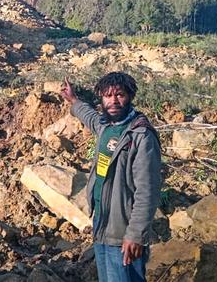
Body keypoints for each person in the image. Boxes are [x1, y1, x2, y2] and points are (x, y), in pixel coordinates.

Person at [60, 73, 161, 282]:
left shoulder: (141, 136)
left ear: (130, 96)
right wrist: (74, 100)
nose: (113, 101)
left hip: (123, 229)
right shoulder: (106, 126)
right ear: (101, 98)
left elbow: (147, 191)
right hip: (102, 222)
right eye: (108, 96)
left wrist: (135, 235)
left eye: (120, 95)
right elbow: (90, 117)